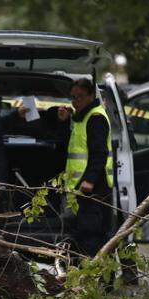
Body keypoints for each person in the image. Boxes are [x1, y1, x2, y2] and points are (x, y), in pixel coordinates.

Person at [58, 78, 114, 256]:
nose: (75, 102)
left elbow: (99, 153)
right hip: (81, 187)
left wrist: (89, 179)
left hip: (94, 187)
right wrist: (66, 120)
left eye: (80, 97)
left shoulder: (95, 118)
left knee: (92, 234)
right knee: (82, 234)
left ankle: (99, 280)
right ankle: (87, 276)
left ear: (91, 96)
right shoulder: (82, 117)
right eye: (73, 98)